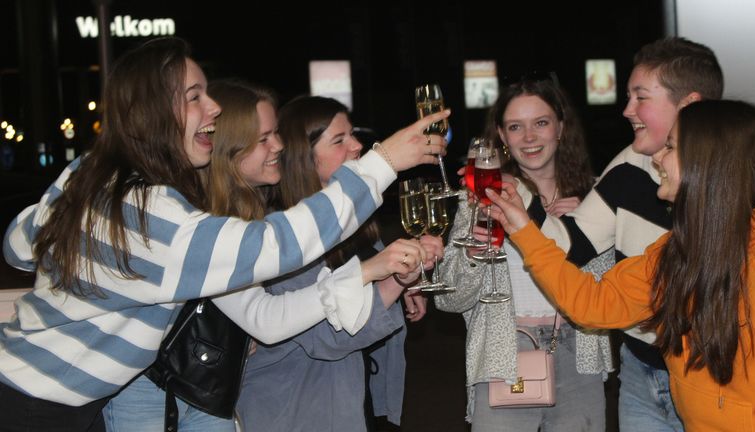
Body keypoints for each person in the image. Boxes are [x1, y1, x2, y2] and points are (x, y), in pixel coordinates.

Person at [0, 37, 448, 431]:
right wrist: (382, 162)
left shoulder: (102, 181)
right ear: (152, 112)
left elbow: (18, 247)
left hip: (58, 399)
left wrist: (73, 215)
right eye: (194, 96)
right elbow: (279, 245)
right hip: (36, 405)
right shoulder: (148, 213)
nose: (213, 107)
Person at [489, 99, 755, 431]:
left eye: (671, 147)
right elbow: (593, 303)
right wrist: (524, 230)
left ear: (706, 162)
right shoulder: (675, 252)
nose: (657, 158)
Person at [235, 95, 440, 432]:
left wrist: (407, 274)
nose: (357, 145)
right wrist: (393, 283)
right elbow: (329, 338)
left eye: (353, 134)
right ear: (304, 156)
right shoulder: (282, 236)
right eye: (339, 140)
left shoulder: (357, 224)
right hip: (294, 411)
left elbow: (367, 289)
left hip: (352, 398)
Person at [436, 76, 613, 431]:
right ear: (502, 136)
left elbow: (614, 292)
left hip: (579, 352)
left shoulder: (595, 197)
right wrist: (473, 254)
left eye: (541, 123)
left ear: (561, 127)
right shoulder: (481, 199)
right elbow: (449, 299)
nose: (529, 137)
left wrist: (582, 232)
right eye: (516, 127)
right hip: (505, 354)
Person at [565, 36, 723, 431]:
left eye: (641, 97)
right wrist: (521, 207)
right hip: (638, 369)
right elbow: (570, 245)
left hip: (713, 378)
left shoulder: (740, 189)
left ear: (689, 106)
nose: (627, 110)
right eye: (628, 97)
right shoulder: (630, 163)